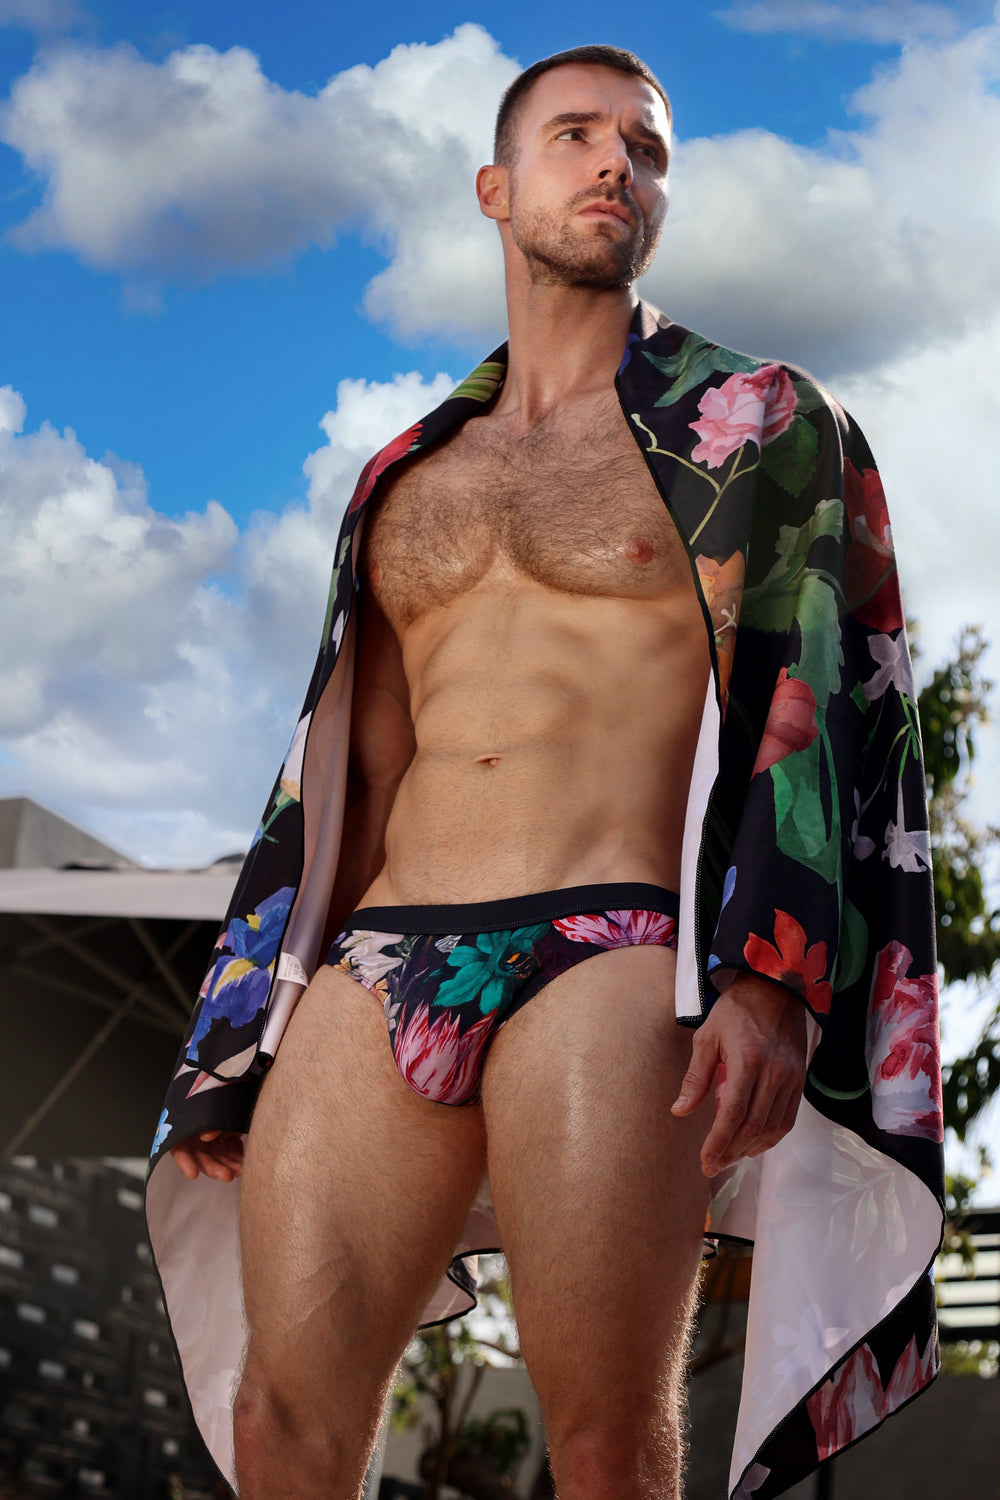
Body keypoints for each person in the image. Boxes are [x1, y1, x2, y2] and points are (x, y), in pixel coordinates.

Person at [145, 45, 945, 1500]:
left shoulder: (759, 424)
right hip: (387, 950)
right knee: (282, 1418)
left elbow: (821, 702)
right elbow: (347, 776)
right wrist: (242, 1032)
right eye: (576, 135)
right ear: (494, 188)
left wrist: (773, 977)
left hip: (613, 947)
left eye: (646, 147)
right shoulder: (404, 474)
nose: (615, 164)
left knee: (604, 1441)